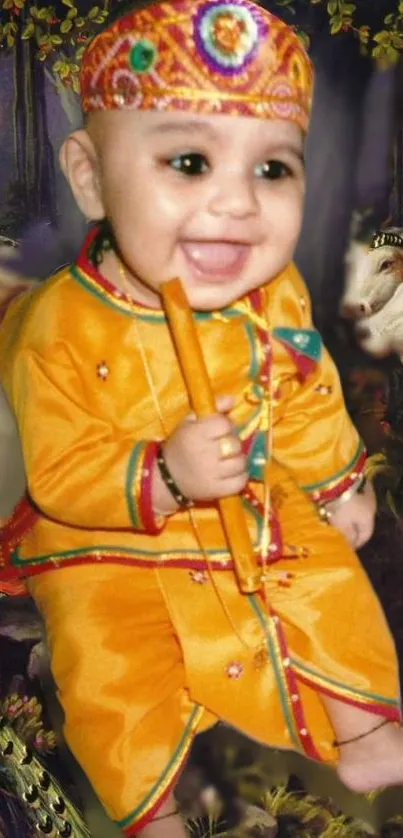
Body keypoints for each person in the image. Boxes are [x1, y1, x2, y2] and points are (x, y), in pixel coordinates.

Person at [0, 1, 402, 835]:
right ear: (88, 177)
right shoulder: (56, 327)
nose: (237, 205)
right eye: (188, 161)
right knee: (109, 673)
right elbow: (63, 470)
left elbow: (305, 395)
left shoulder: (274, 297)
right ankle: (154, 815)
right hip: (102, 544)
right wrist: (164, 474)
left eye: (273, 170)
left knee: (326, 576)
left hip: (252, 508)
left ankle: (364, 728)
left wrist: (335, 481)